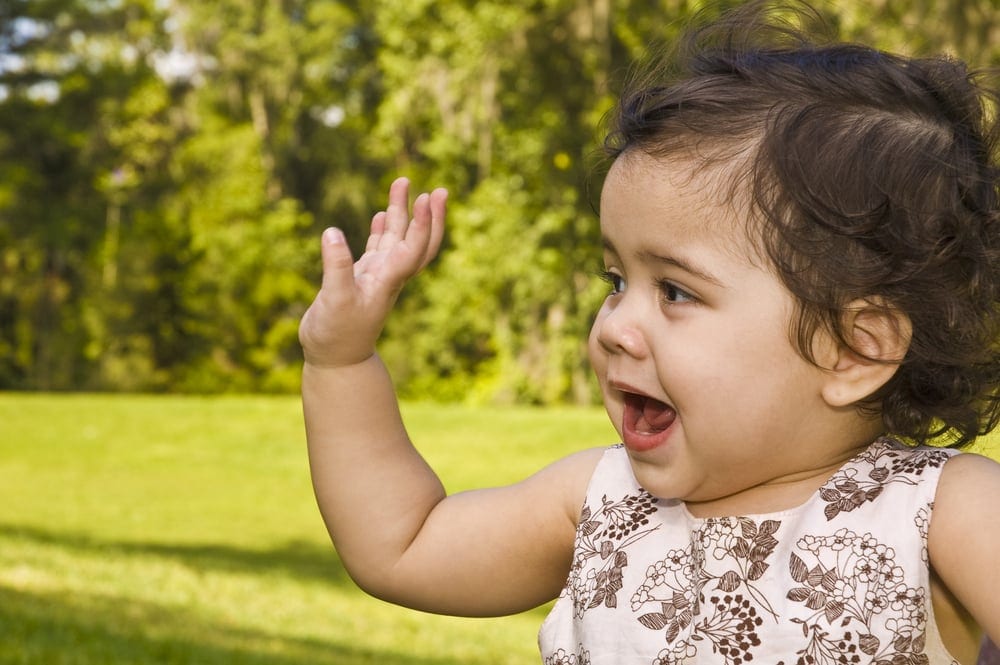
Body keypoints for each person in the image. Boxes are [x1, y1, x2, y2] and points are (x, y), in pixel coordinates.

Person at [299, 1, 1000, 662]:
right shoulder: (599, 500)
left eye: (674, 289)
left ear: (854, 348)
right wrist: (341, 362)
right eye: (615, 281)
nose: (615, 325)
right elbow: (403, 543)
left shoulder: (942, 511)